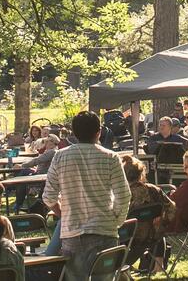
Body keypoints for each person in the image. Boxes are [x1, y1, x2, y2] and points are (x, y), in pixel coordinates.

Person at [42, 111, 131, 280]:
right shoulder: (111, 157)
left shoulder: (60, 157)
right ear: (99, 132)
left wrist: (63, 215)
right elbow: (124, 195)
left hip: (73, 234)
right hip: (105, 231)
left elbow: (48, 197)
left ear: (74, 133)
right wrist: (116, 221)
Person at [122, 156, 175, 272]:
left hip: (130, 238)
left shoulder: (123, 195)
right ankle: (158, 266)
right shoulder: (154, 190)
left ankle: (123, 269)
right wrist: (163, 220)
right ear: (141, 174)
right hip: (153, 236)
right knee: (157, 227)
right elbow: (172, 208)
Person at [13, 134, 58, 212]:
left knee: (21, 182)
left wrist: (22, 165)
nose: (44, 143)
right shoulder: (50, 151)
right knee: (23, 173)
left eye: (46, 141)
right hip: (41, 175)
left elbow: (37, 160)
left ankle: (18, 203)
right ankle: (17, 199)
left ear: (51, 143)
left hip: (42, 177)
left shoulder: (52, 152)